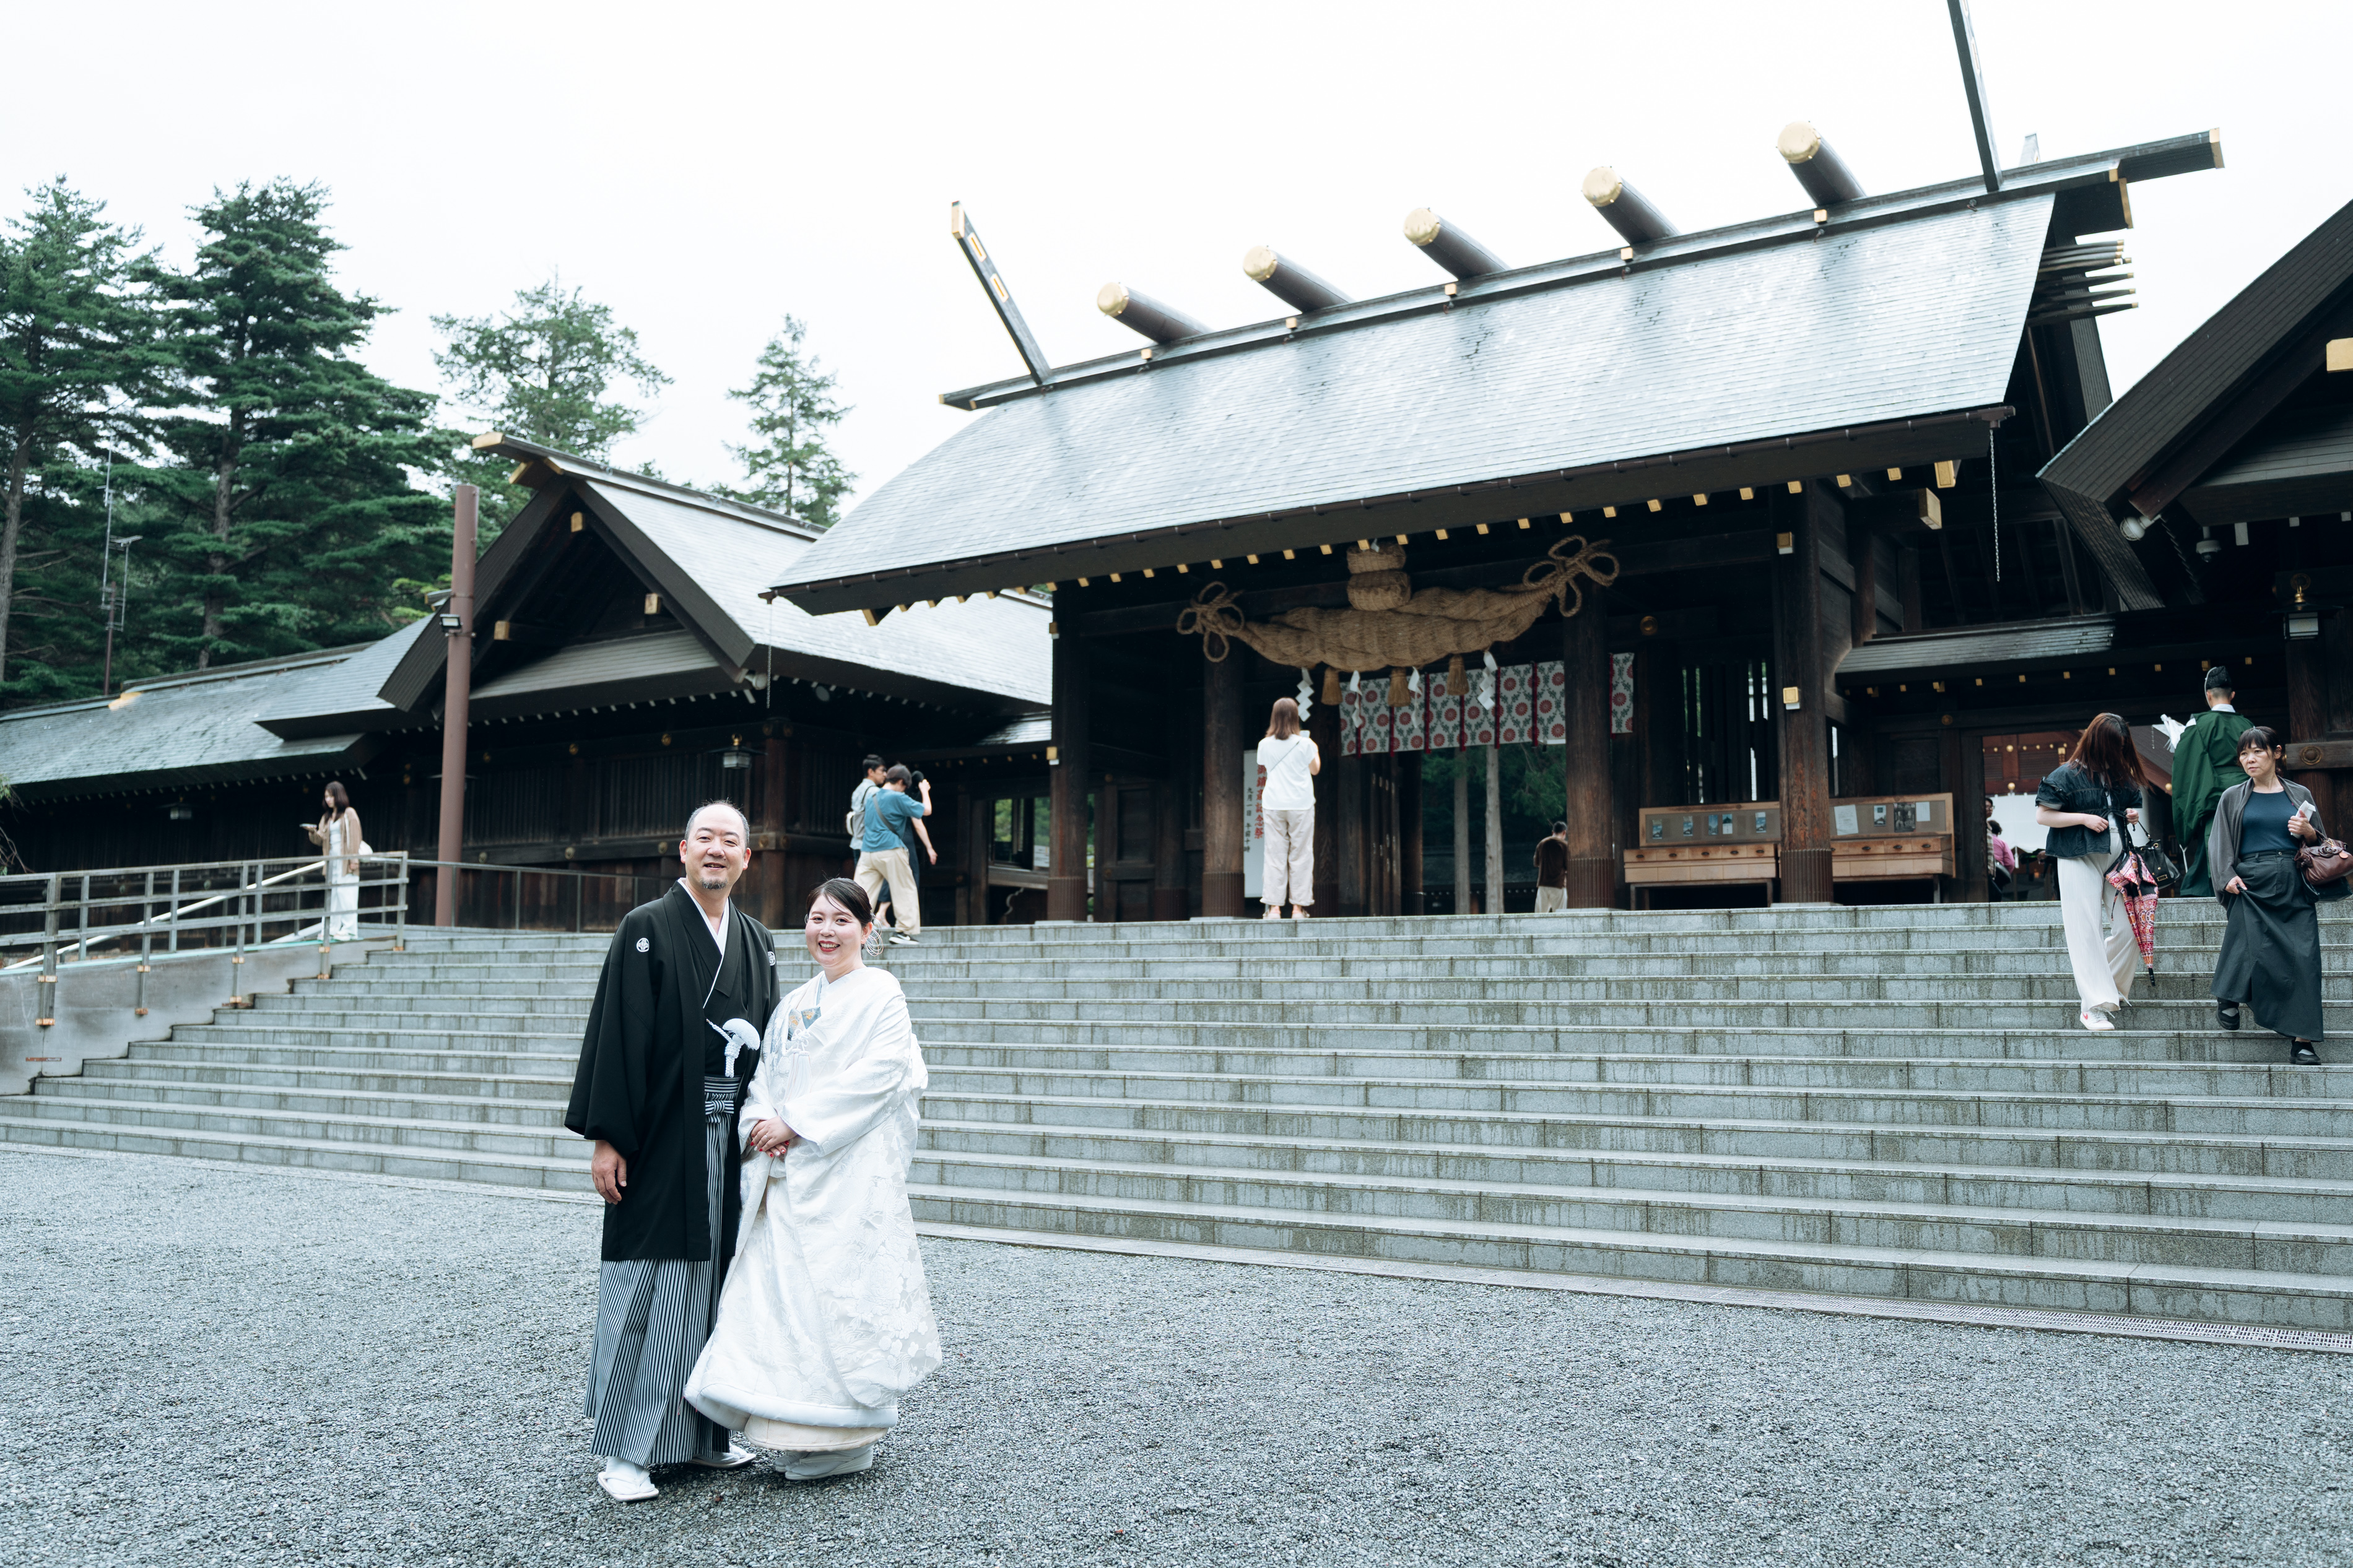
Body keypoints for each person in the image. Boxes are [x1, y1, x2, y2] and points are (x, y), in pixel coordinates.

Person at [686, 878, 941, 1479]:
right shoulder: (793, 1001)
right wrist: (763, 1121)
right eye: (815, 917)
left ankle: (848, 1435)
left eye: (841, 921)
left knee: (841, 1301)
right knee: (784, 1303)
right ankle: (793, 1430)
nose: (825, 931)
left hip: (844, 1169)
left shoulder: (882, 992)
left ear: (866, 930)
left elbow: (882, 1074)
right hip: (786, 1172)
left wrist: (797, 1122)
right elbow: (764, 1076)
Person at [565, 801, 783, 1502]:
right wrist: (607, 1138)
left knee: (719, 1284)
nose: (717, 851)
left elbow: (773, 1049)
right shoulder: (647, 928)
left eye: (731, 842)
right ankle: (626, 1452)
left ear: (747, 859)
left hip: (729, 1142)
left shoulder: (754, 939)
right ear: (683, 850)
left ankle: (702, 1437)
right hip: (661, 1135)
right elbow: (618, 1035)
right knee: (650, 1283)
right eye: (706, 839)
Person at [2209, 726, 2328, 1064]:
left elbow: (2321, 843)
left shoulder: (2298, 792)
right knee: (2248, 942)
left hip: (2294, 882)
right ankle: (2230, 995)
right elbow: (2218, 843)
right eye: (2244, 754)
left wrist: (2309, 832)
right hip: (2250, 881)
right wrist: (2226, 876)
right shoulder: (2233, 796)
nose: (2249, 759)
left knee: (2304, 959)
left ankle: (2302, 1041)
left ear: (2276, 753)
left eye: (2257, 752)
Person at [2033, 714, 2145, 1033]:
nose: (2119, 752)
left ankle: (2109, 990)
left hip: (2118, 859)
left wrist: (2131, 815)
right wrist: (2082, 818)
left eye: (2122, 746)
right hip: (2076, 857)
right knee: (2086, 930)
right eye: (2114, 746)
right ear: (2099, 743)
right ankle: (2093, 1006)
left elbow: (2127, 810)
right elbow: (2043, 816)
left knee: (2131, 927)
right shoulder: (2066, 775)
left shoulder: (2121, 776)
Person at [2171, 666, 2253, 896]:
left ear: (2208, 695)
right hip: (2247, 793)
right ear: (2232, 694)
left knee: (2213, 844)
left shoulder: (2198, 724)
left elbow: (2187, 766)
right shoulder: (2249, 726)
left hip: (2212, 794)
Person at [1257, 697, 1320, 920]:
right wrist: (1314, 748)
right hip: (1301, 804)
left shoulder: (1264, 744)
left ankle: (1274, 908)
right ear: (1296, 717)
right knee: (1301, 855)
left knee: (1274, 854)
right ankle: (1298, 908)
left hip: (1274, 803)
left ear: (1274, 716)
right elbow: (1315, 770)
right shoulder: (1306, 744)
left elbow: (1264, 764)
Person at [855, 765, 931, 945]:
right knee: (905, 890)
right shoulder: (898, 797)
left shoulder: (871, 797)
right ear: (901, 782)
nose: (905, 789)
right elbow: (926, 811)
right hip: (891, 850)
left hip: (867, 852)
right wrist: (924, 790)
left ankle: (854, 935)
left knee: (859, 896)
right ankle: (904, 932)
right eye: (905, 786)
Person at [302, 781, 366, 940]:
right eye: (326, 797)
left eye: (331, 796)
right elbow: (321, 840)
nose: (329, 799)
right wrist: (312, 833)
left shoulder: (349, 813)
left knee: (347, 895)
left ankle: (350, 931)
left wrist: (354, 859)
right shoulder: (327, 817)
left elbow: (356, 836)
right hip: (332, 861)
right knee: (333, 895)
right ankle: (331, 928)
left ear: (339, 796)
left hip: (346, 860)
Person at [1534, 822, 1570, 912]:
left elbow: (1536, 863)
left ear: (1553, 832)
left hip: (1543, 885)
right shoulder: (1565, 846)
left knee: (1540, 916)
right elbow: (1568, 866)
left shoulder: (1542, 844)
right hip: (1558, 885)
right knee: (1559, 916)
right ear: (1564, 832)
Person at [1986, 797, 2017, 900]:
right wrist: (2005, 872)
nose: (1989, 809)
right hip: (1996, 872)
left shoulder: (1985, 829)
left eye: (1991, 807)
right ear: (1998, 832)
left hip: (1987, 871)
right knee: (1997, 897)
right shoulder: (2002, 843)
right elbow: (2011, 862)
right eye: (1987, 807)